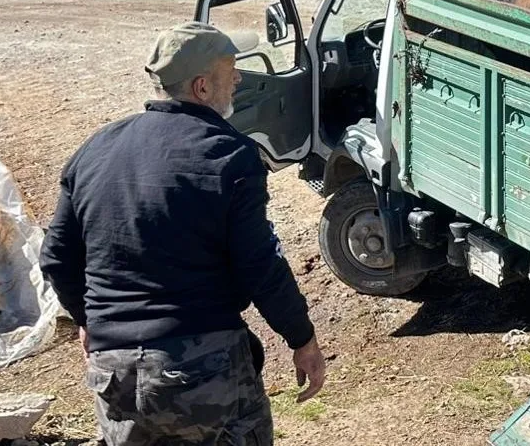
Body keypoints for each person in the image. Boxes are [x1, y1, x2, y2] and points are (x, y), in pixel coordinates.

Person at [41, 22, 326, 445]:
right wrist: (302, 339)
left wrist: (90, 320)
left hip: (113, 371)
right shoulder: (228, 154)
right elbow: (259, 264)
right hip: (200, 365)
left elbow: (56, 256)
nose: (239, 78)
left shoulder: (96, 148)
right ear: (202, 87)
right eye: (231, 70)